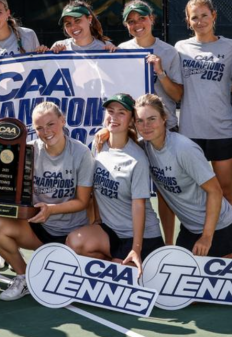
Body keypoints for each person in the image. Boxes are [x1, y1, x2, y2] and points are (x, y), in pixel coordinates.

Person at [0, 102, 94, 301]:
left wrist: (51, 209)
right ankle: (24, 276)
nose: (46, 132)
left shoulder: (81, 153)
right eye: (39, 127)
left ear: (63, 121)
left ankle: (62, 260)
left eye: (51, 124)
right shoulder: (27, 150)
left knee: (72, 282)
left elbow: (83, 201)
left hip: (71, 233)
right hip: (36, 228)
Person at [0, 0, 48, 270]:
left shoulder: (26, 36)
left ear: (7, 12)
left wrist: (41, 55)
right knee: (0, 180)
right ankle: (0, 246)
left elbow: (39, 71)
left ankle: (17, 239)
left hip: (24, 117)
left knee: (25, 181)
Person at [135, 94, 232, 258]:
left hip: (218, 226)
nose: (146, 125)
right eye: (140, 120)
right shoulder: (143, 147)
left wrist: (207, 238)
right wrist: (168, 243)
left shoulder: (183, 149)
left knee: (216, 280)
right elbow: (164, 198)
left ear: (164, 118)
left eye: (152, 119)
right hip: (189, 228)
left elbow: (215, 191)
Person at [66, 94, 164, 273]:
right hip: (111, 231)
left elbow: (138, 206)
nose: (114, 117)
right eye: (110, 111)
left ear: (131, 120)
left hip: (141, 236)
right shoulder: (99, 145)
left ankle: (130, 259)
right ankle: (114, 259)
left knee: (129, 284)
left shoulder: (137, 159)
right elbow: (94, 190)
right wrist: (96, 219)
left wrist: (136, 247)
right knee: (75, 242)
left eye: (121, 113)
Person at [117, 0, 183, 244]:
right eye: (131, 21)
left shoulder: (168, 51)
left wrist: (160, 73)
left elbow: (178, 95)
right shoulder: (121, 50)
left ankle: (168, 244)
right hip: (133, 132)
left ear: (151, 19)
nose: (137, 24)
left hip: (162, 132)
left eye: (141, 18)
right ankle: (137, 242)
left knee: (166, 192)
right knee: (133, 190)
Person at [175, 0, 232, 215]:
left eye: (205, 15)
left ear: (214, 16)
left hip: (222, 130)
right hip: (190, 133)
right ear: (188, 21)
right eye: (194, 17)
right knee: (195, 192)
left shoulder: (231, 46)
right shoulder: (181, 48)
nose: (200, 21)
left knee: (225, 190)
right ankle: (200, 240)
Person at [51, 0, 117, 52]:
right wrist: (44, 52)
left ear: (89, 19)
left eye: (77, 20)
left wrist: (114, 54)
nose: (73, 27)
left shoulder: (105, 47)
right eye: (68, 24)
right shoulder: (59, 47)